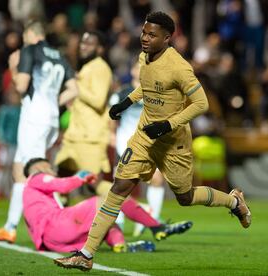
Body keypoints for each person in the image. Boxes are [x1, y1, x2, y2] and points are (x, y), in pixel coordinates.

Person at [54, 11, 252, 271]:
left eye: (152, 34)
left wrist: (169, 124)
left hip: (173, 142)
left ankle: (234, 201)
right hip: (145, 136)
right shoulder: (144, 57)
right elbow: (148, 87)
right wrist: (126, 102)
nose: (145, 38)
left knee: (185, 197)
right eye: (144, 32)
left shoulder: (179, 67)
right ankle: (86, 254)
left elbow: (201, 103)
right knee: (119, 187)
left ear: (167, 38)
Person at [0, 21, 78, 243]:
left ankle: (67, 225)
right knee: (20, 171)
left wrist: (13, 67)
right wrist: (54, 103)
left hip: (34, 119)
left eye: (24, 36)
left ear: (30, 34)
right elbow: (74, 90)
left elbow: (20, 86)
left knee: (39, 171)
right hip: (49, 119)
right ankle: (10, 227)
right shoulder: (59, 55)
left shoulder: (29, 50)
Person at [22, 158, 192, 255]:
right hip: (58, 226)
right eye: (49, 167)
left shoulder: (30, 195)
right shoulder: (37, 177)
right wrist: (80, 177)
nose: (52, 169)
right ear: (39, 167)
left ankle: (120, 245)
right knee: (112, 199)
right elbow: (63, 186)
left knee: (106, 218)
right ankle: (156, 227)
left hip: (54, 241)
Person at [110, 61, 166, 235]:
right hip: (125, 144)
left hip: (148, 144)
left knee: (157, 180)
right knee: (120, 183)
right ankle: (117, 221)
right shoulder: (122, 93)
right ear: (133, 71)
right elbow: (110, 121)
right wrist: (111, 136)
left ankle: (151, 221)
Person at [55, 30, 113, 197]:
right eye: (83, 42)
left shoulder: (101, 67)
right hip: (74, 135)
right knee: (61, 179)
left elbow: (98, 100)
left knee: (93, 183)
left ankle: (139, 209)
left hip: (90, 136)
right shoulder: (86, 67)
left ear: (100, 49)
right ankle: (60, 220)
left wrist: (77, 88)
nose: (84, 46)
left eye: (89, 43)